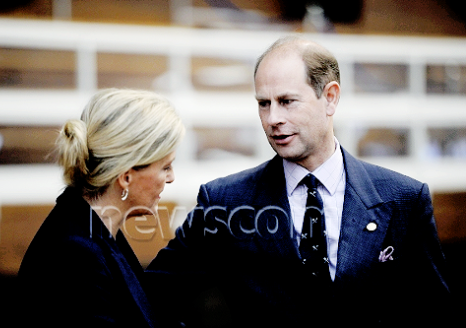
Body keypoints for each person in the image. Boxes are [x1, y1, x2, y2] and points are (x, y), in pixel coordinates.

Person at [145, 36, 452, 326]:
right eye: (264, 103)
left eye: (287, 101)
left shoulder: (404, 200)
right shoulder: (225, 202)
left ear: (329, 98)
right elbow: (151, 295)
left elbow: (434, 313)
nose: (272, 118)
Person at [17, 88, 185, 326]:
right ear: (126, 176)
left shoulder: (96, 230)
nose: (171, 178)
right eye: (165, 167)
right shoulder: (77, 255)